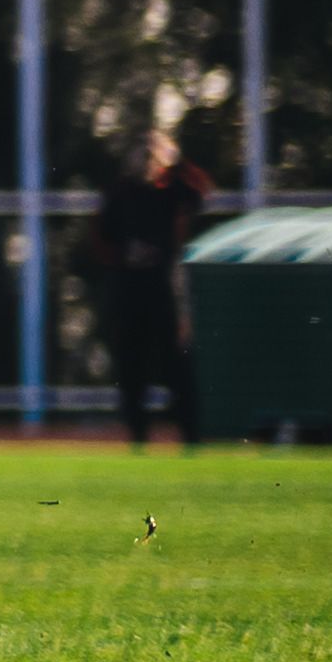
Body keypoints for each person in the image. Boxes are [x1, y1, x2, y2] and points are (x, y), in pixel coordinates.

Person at [79, 128, 212, 451]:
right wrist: (126, 256)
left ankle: (190, 435)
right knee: (131, 364)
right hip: (128, 289)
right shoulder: (119, 192)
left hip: (162, 287)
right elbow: (99, 241)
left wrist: (175, 159)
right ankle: (138, 435)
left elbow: (201, 192)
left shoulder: (170, 189)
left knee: (176, 363)